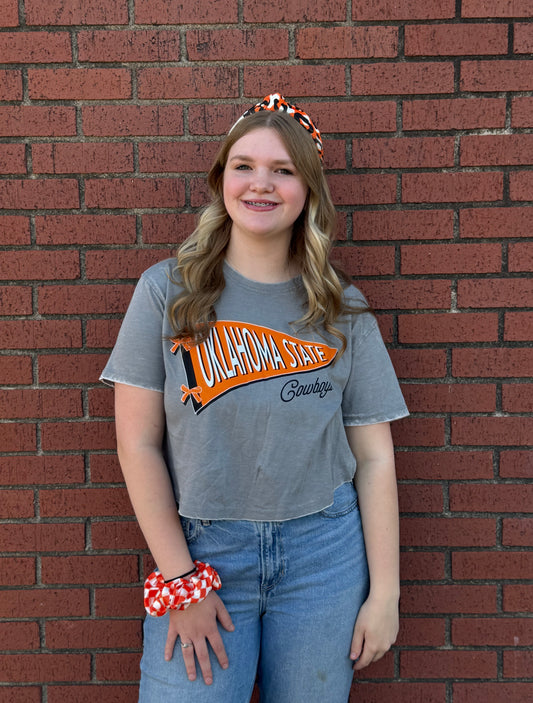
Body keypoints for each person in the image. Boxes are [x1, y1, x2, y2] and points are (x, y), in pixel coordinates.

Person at [100, 93, 409, 703]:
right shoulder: (168, 293)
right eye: (244, 166)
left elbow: (376, 459)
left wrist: (385, 595)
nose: (260, 184)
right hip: (203, 551)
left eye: (283, 170)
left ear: (307, 190)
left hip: (324, 557)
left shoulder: (342, 310)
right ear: (221, 181)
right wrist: (183, 581)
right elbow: (137, 444)